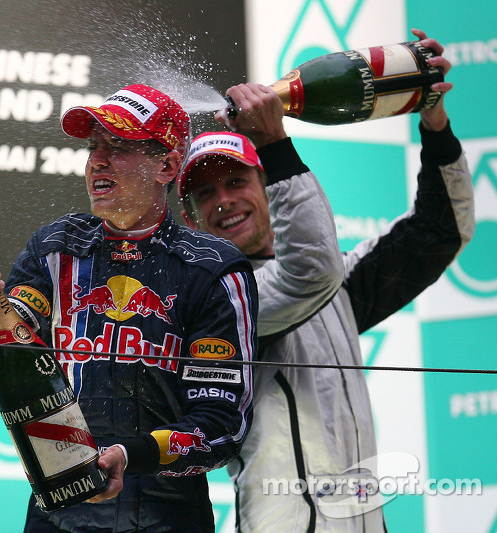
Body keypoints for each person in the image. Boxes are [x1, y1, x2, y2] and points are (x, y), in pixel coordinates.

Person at [177, 30, 473, 532]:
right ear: (192, 222)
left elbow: (442, 229)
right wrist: (274, 144)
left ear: (268, 189)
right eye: (204, 194)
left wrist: (432, 119)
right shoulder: (217, 304)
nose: (223, 200)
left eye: (236, 181)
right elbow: (310, 271)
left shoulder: (342, 286)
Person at [0, 83, 258, 532]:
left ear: (167, 165)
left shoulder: (213, 269)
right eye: (94, 145)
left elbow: (221, 425)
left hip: (168, 516)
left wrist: (128, 456)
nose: (97, 159)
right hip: (57, 512)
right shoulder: (55, 248)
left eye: (118, 146)